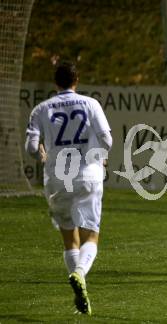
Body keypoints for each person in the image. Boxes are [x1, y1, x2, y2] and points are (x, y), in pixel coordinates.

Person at [25, 61, 112, 314]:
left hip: (56, 179)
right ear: (77, 80)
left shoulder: (40, 109)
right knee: (91, 236)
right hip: (88, 174)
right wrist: (100, 154)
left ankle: (80, 295)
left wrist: (42, 155)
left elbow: (31, 148)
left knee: (69, 239)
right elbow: (107, 139)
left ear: (56, 83)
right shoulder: (91, 104)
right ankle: (80, 273)